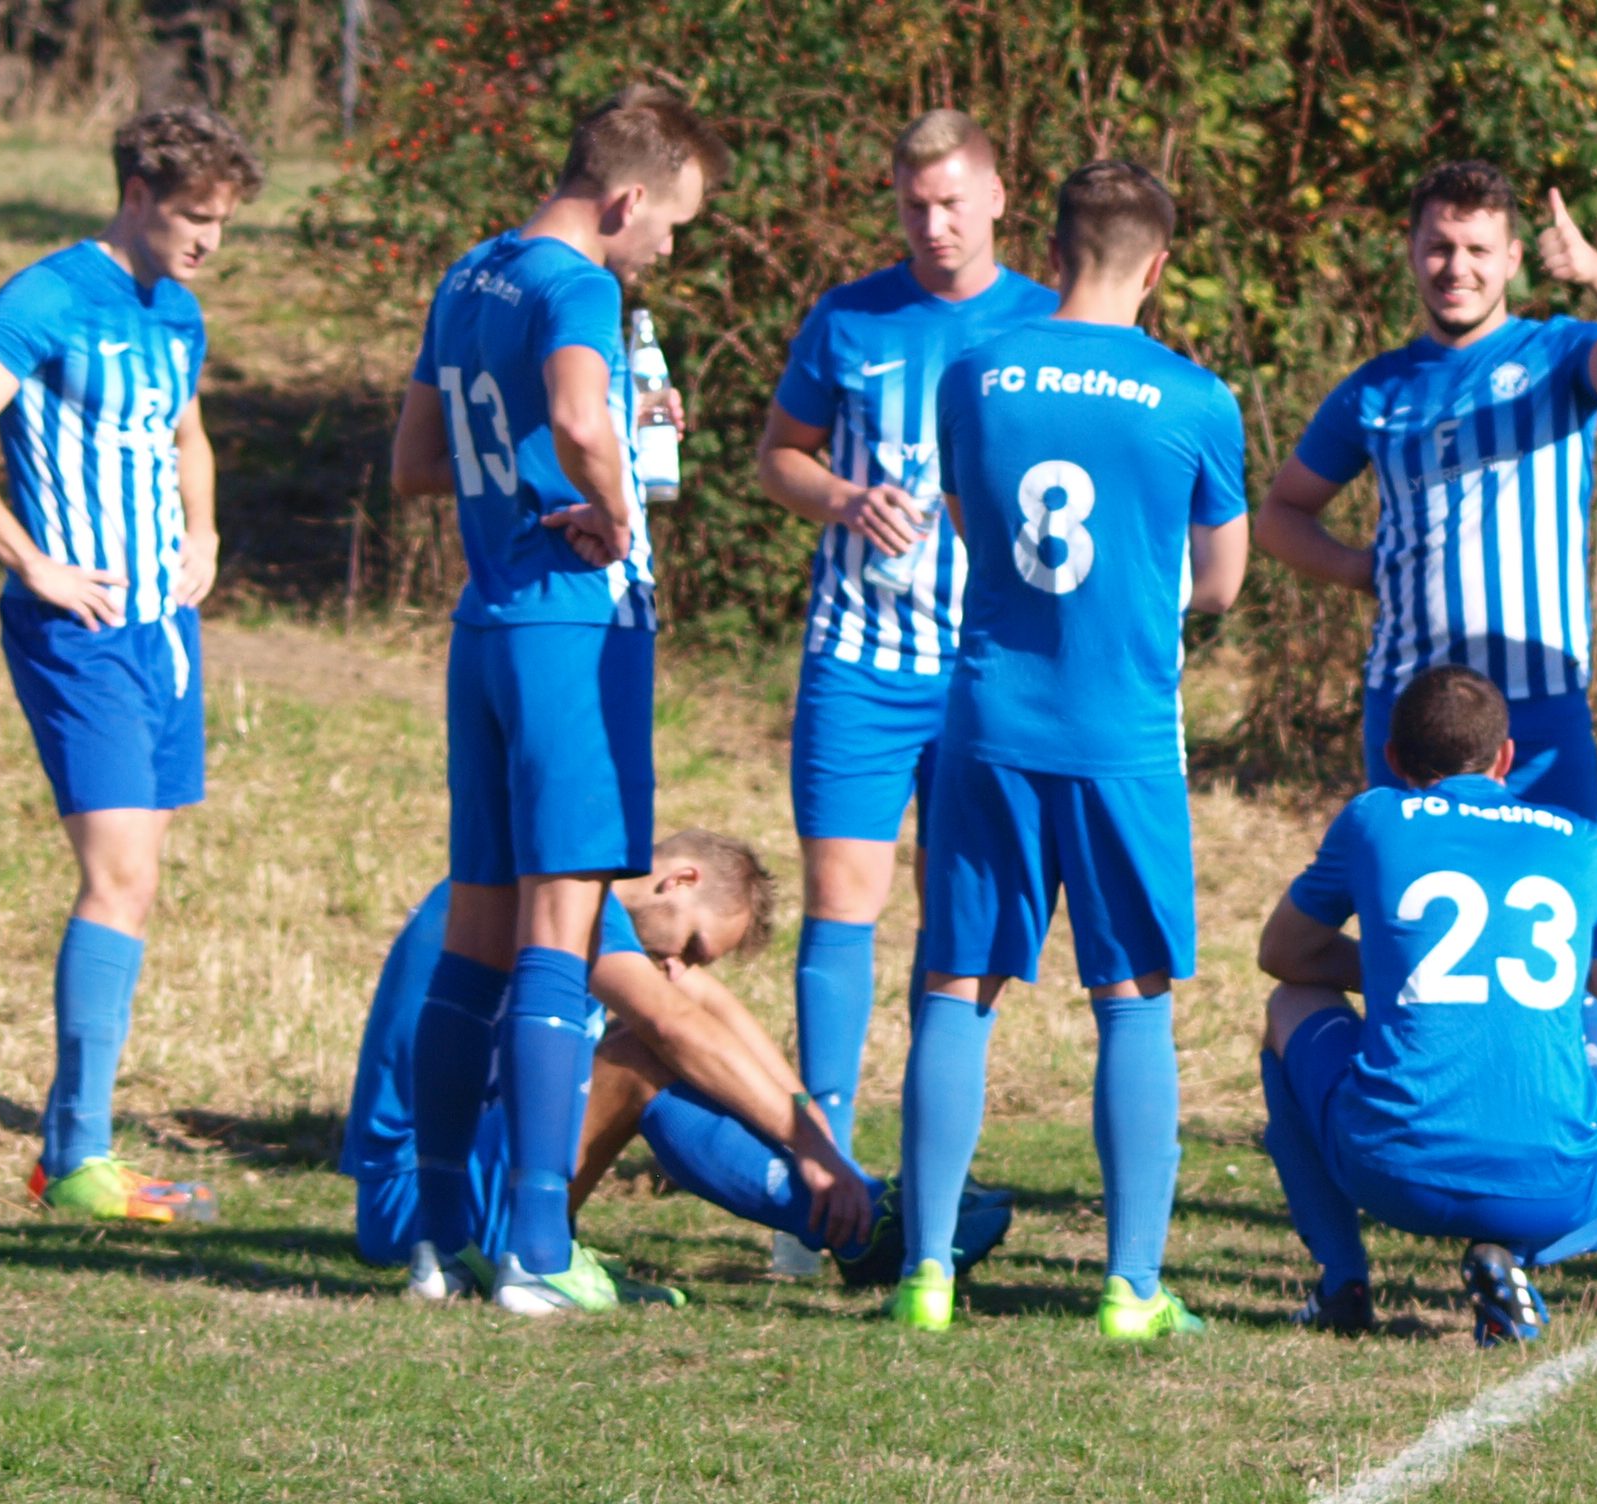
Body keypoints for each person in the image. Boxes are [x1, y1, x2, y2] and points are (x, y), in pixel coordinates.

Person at [893, 160, 1251, 1338]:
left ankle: (928, 1275)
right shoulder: (1198, 397)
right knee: (1131, 1000)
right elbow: (1223, 582)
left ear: (1051, 251)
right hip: (1121, 735)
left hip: (990, 721)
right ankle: (1130, 1288)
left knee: (957, 983)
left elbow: (968, 517)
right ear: (1157, 265)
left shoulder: (978, 371)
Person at [385, 84, 727, 1314]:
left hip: (484, 622)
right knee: (561, 931)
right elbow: (579, 415)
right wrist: (618, 504)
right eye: (672, 227)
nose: (666, 252)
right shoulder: (583, 285)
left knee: (474, 942)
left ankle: (437, 1244)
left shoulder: (470, 276)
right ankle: (537, 1248)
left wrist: (587, 440)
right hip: (572, 627)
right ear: (626, 198)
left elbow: (418, 463)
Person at [0, 107, 264, 1224]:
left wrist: (204, 534)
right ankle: (78, 1156)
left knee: (139, 878)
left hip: (166, 627)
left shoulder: (179, 310)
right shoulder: (48, 296)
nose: (209, 240)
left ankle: (72, 1146)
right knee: (117, 877)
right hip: (79, 630)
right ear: (139, 194)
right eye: (195, 217)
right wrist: (32, 561)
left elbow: (186, 433)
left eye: (224, 223)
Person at [751, 109, 1060, 1270]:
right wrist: (840, 498)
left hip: (988, 676)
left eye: (951, 204)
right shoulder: (849, 316)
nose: (933, 227)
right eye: (913, 207)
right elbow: (779, 455)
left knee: (961, 928)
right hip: (860, 665)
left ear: (995, 198)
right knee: (842, 908)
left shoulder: (1047, 321)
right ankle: (818, 1185)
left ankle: (929, 1186)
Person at [343, 831, 1001, 1295]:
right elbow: (672, 1025)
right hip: (418, 1206)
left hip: (439, 1189)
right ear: (678, 878)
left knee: (669, 1048)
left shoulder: (589, 902)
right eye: (692, 944)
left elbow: (711, 1012)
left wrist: (823, 1144)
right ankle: (867, 1236)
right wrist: (810, 1150)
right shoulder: (564, 898)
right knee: (643, 1057)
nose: (682, 966)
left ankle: (867, 1213)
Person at [1256, 160, 1597, 821]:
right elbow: (1281, 514)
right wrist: (1354, 568)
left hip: (1538, 705)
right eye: (1439, 247)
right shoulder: (1377, 390)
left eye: (1478, 249)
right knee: (1410, 913)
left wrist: (1595, 272)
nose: (1457, 268)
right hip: (1411, 706)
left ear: (1511, 258)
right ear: (1412, 253)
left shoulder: (1560, 354)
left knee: (1569, 912)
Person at [1253, 667, 1597, 1346]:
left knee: (1288, 1005)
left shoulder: (1374, 818)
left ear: (1391, 758)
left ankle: (1343, 1282)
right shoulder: (1576, 839)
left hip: (1389, 1171)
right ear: (1505, 757)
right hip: (1549, 1186)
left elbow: (1283, 954)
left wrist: (1395, 971)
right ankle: (1517, 1261)